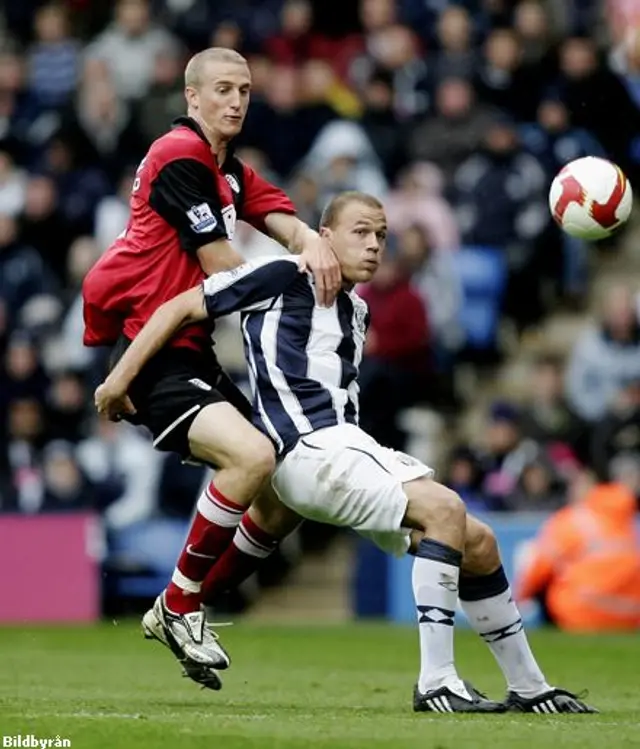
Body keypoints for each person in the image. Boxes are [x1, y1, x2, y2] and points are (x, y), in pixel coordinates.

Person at [96, 191, 595, 714]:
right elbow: (181, 306)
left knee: (480, 543)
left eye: (381, 234)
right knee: (445, 509)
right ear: (324, 236)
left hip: (338, 450)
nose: (375, 244)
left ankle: (530, 686)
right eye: (360, 231)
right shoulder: (281, 274)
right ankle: (437, 681)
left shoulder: (356, 310)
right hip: (311, 449)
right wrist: (119, 379)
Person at [83, 47, 341, 690]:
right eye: (223, 89)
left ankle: (187, 602)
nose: (236, 101)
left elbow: (286, 224)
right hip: (154, 352)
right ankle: (179, 606)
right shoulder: (179, 155)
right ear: (191, 98)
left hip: (193, 353)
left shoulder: (228, 172)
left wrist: (317, 246)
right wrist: (298, 274)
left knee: (285, 489)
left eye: (246, 91)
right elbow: (222, 263)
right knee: (253, 458)